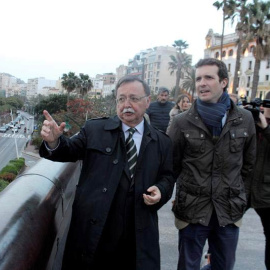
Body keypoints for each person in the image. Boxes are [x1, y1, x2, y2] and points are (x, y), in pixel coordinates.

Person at [39, 75, 175, 270]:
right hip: (94, 233)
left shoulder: (162, 142)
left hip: (138, 235)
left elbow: (168, 177)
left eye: (134, 99)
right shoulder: (95, 129)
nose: (126, 104)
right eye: (121, 99)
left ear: (148, 101)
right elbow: (68, 150)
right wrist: (53, 142)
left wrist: (161, 190)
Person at [168, 58, 256, 270]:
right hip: (192, 212)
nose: (202, 83)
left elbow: (249, 164)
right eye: (198, 78)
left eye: (209, 77)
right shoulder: (181, 122)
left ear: (224, 82)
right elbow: (171, 166)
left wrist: (239, 197)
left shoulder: (244, 119)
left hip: (228, 212)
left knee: (224, 266)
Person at [250, 91, 270, 270]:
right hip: (246, 187)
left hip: (266, 193)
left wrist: (266, 128)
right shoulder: (254, 122)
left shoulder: (264, 126)